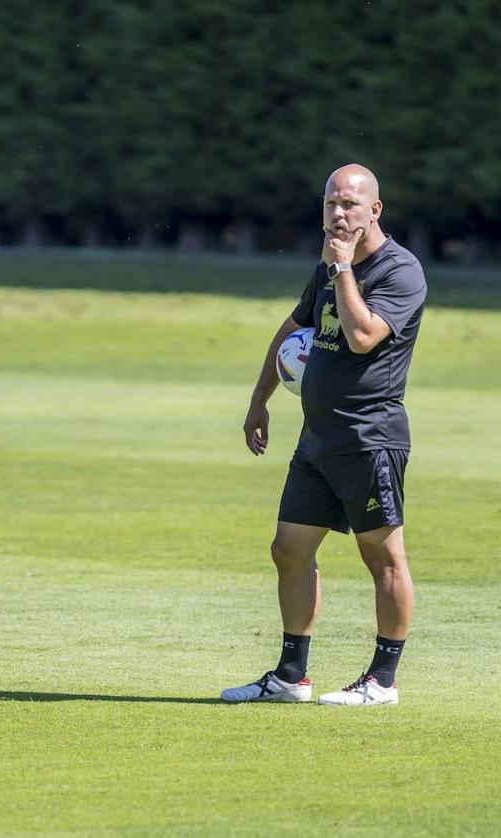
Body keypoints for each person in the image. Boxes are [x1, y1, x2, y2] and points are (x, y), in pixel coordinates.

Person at [222, 164, 426, 706]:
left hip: (368, 438)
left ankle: (382, 682)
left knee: (382, 557)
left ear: (374, 211)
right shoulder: (325, 269)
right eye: (331, 203)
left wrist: (341, 270)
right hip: (318, 438)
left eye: (351, 205)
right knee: (288, 549)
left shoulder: (400, 272)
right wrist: (258, 400)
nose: (339, 213)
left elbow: (362, 337)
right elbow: (293, 330)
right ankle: (291, 677)